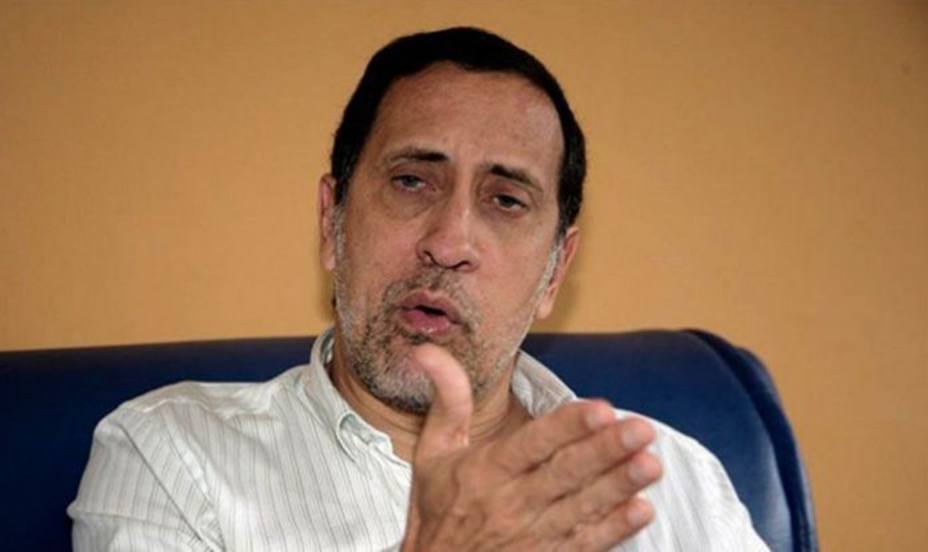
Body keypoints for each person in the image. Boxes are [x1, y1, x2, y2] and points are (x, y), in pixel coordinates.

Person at [69, 27, 768, 551]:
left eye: (506, 200)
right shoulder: (171, 456)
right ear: (331, 222)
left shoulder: (674, 480)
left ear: (555, 270)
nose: (450, 242)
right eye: (412, 181)